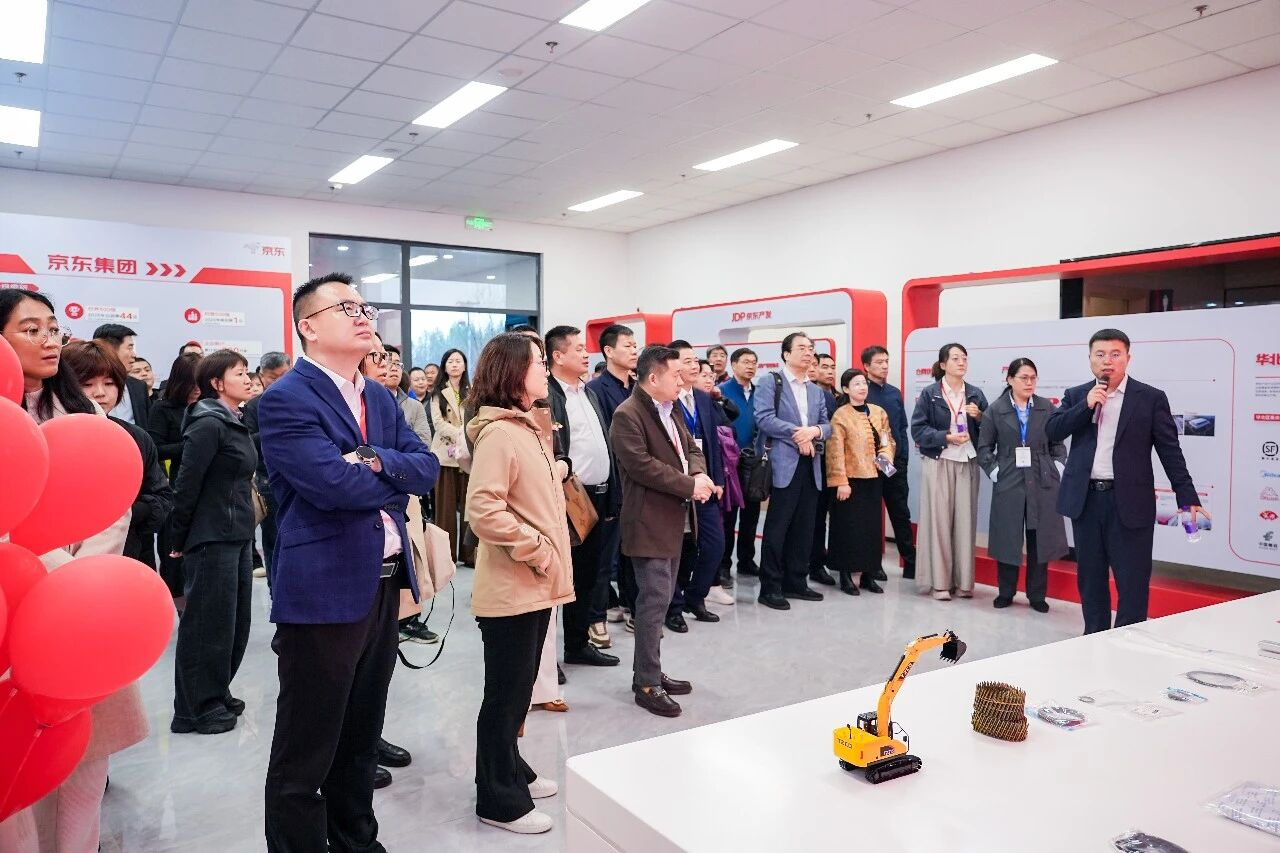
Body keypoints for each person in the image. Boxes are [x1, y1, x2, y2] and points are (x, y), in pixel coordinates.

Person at [259, 273, 439, 851]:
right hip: (323, 587)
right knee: (307, 745)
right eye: (346, 307)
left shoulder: (381, 397)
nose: (364, 316)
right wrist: (390, 476)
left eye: (365, 307)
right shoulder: (286, 398)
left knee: (362, 734)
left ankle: (357, 842)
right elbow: (332, 486)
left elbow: (426, 469)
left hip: (383, 585)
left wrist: (370, 459)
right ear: (308, 326)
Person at [0, 290, 147, 853]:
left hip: (82, 612)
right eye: (30, 329)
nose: (49, 340)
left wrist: (79, 581)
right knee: (19, 762)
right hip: (14, 610)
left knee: (86, 755)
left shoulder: (83, 414)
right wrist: (49, 571)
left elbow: (111, 508)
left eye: (53, 328)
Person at [465, 333, 574, 835]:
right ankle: (497, 798)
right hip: (513, 587)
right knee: (505, 696)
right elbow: (483, 509)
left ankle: (512, 769)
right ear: (513, 375)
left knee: (520, 690)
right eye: (537, 363)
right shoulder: (499, 435)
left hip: (534, 585)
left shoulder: (527, 427)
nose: (545, 370)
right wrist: (539, 550)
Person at [1047, 329, 1208, 634]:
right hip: (1086, 502)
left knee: (1132, 582)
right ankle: (1094, 639)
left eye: (1115, 354)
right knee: (1091, 580)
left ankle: (1129, 643)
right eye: (1100, 354)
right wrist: (1085, 405)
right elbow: (1053, 431)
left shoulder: (1150, 398)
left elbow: (1170, 451)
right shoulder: (1077, 395)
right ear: (1090, 359)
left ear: (1128, 358)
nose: (1107, 361)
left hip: (1130, 503)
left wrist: (1186, 496)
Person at [611, 345, 714, 717]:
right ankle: (646, 683)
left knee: (663, 598)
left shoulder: (673, 408)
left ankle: (650, 670)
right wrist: (690, 485)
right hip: (649, 522)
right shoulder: (628, 414)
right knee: (653, 602)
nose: (681, 380)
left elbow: (692, 448)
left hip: (675, 517)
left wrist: (698, 473)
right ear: (653, 377)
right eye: (675, 374)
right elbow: (642, 466)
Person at [166, 349, 257, 736]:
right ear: (216, 383)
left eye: (248, 372)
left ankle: (216, 692)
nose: (248, 379)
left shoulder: (234, 419)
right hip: (211, 536)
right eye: (239, 373)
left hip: (236, 533)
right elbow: (186, 484)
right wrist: (178, 537)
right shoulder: (207, 423)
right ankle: (193, 709)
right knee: (206, 625)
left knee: (233, 623)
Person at [545, 325, 622, 668]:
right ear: (557, 356)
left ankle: (577, 645)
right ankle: (546, 662)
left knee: (588, 575)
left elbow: (603, 443)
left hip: (598, 495)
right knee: (558, 576)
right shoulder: (548, 396)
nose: (586, 353)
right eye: (578, 348)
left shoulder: (588, 392)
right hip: (567, 498)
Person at [63, 341, 174, 572]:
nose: (100, 393)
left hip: (129, 557)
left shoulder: (135, 437)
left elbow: (162, 496)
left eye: (109, 383)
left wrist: (126, 512)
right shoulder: (52, 433)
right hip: (60, 558)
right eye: (87, 384)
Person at [977, 358, 1068, 613]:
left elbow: (1058, 444)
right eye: (1023, 378)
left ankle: (1037, 595)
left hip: (1041, 476)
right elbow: (984, 449)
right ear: (1010, 380)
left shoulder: (1046, 408)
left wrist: (1057, 467)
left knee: (1040, 537)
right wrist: (995, 471)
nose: (1029, 383)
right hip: (1009, 475)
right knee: (1008, 535)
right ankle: (1006, 591)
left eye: (1033, 378)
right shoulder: (995, 410)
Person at [754, 333, 832, 610]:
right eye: (801, 348)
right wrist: (799, 434)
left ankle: (796, 581)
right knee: (778, 527)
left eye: (811, 348)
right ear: (786, 354)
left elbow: (827, 425)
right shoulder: (771, 381)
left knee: (804, 527)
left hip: (811, 464)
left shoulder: (816, 390)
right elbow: (764, 418)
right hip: (782, 464)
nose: (808, 352)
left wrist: (815, 431)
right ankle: (770, 587)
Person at [910, 343, 988, 601]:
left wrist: (980, 417)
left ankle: (964, 582)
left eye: (964, 358)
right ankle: (940, 583)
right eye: (955, 358)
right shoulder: (930, 394)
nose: (961, 362)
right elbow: (918, 430)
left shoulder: (975, 394)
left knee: (965, 522)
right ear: (943, 364)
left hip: (967, 461)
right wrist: (945, 437)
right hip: (939, 460)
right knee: (939, 523)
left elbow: (991, 430)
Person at [666, 341, 729, 629]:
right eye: (687, 360)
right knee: (680, 549)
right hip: (677, 487)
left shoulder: (703, 398)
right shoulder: (665, 400)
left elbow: (713, 444)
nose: (694, 365)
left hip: (705, 484)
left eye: (695, 360)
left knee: (715, 545)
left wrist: (718, 479)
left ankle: (696, 597)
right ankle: (674, 607)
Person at [826, 369, 894, 596]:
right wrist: (840, 481)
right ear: (846, 389)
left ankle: (868, 574)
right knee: (848, 528)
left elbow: (887, 439)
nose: (862, 387)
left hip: (874, 478)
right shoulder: (841, 415)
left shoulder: (878, 412)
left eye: (864, 383)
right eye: (856, 384)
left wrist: (885, 458)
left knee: (871, 528)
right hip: (850, 482)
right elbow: (834, 451)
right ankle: (845, 575)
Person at [148, 352, 202, 599]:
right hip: (175, 489)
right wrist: (191, 445)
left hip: (206, 492)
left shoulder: (209, 406)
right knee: (174, 559)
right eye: (191, 384)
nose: (197, 389)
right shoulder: (163, 408)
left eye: (200, 383)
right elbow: (156, 448)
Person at [863, 346, 915, 580]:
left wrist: (901, 456)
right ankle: (873, 564)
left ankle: (910, 562)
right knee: (872, 515)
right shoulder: (862, 392)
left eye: (886, 361)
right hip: (871, 464)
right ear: (866, 366)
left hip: (894, 463)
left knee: (900, 512)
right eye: (879, 362)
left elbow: (901, 427)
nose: (884, 366)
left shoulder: (894, 392)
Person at [241, 351, 292, 580]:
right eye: (273, 377)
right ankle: (275, 589)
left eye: (284, 374)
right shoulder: (254, 406)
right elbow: (247, 441)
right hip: (268, 479)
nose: (279, 381)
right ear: (262, 376)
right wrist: (277, 431)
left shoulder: (303, 401)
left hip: (300, 477)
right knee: (273, 539)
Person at [429, 347, 476, 566]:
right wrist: (460, 433)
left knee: (470, 506)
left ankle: (469, 554)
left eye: (458, 361)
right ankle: (446, 556)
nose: (455, 364)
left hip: (467, 454)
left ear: (465, 366)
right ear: (444, 366)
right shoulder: (437, 392)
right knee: (445, 509)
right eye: (451, 361)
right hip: (445, 454)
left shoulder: (473, 391)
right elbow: (438, 423)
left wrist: (466, 435)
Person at [717, 347, 760, 587]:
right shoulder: (722, 391)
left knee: (751, 513)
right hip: (730, 462)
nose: (750, 366)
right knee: (728, 515)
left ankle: (747, 560)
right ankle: (724, 565)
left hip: (754, 461)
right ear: (733, 365)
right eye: (745, 362)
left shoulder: (760, 392)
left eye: (754, 362)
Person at [809, 353, 840, 587]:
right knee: (811, 518)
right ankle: (809, 563)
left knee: (824, 518)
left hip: (831, 464)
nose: (829, 371)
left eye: (832, 367)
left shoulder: (833, 397)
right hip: (809, 462)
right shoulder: (810, 394)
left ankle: (820, 562)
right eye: (824, 367)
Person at [93, 322, 150, 426]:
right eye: (130, 348)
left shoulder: (139, 386)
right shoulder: (79, 385)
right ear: (109, 349)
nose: (134, 354)